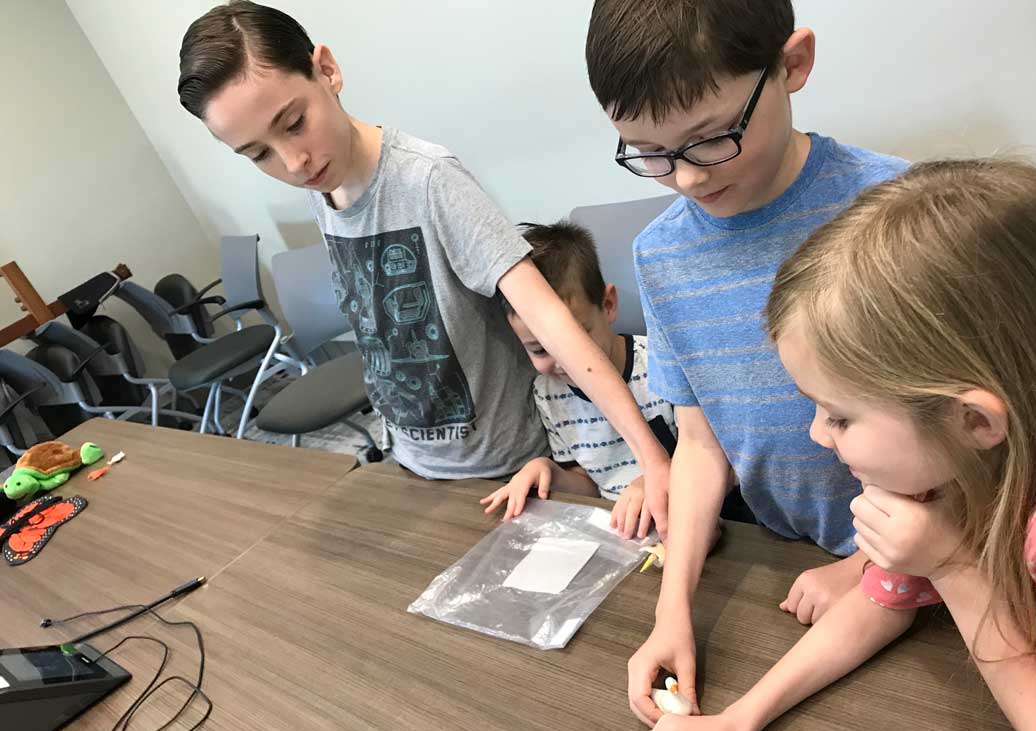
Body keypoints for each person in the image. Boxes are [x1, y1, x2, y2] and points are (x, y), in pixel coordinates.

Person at [629, 159, 1036, 731]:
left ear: (975, 420)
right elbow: (883, 599)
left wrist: (952, 568)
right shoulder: (951, 465)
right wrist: (739, 720)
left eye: (840, 416)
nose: (819, 435)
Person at [177, 2, 670, 531]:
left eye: (294, 123)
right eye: (259, 154)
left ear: (327, 70)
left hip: (501, 469)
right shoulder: (323, 187)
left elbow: (548, 316)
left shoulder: (428, 180)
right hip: (414, 461)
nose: (292, 162)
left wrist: (651, 455)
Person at [584, 0, 906, 723]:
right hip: (785, 560)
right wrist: (673, 611)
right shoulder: (661, 255)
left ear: (792, 66)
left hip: (920, 569)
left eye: (709, 139)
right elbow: (700, 444)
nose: (687, 180)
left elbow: (967, 438)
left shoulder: (896, 209)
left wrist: (867, 567)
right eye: (648, 152)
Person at [480, 221, 675, 538]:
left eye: (575, 339)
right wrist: (548, 472)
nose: (564, 361)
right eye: (539, 349)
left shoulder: (661, 363)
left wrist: (648, 482)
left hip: (686, 521)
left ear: (608, 305)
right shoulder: (548, 394)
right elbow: (588, 484)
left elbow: (710, 459)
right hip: (620, 533)